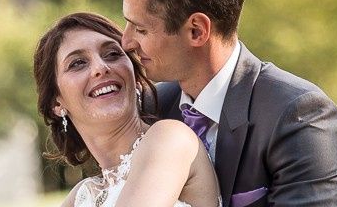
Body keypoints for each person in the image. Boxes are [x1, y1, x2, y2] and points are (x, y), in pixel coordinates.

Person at [121, 0, 337, 207]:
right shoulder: (154, 107)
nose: (126, 42)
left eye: (140, 29)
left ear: (197, 30)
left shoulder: (300, 116)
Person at [34, 12, 221, 207]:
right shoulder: (83, 196)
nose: (101, 67)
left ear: (137, 78)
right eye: (78, 63)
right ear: (56, 103)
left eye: (112, 54)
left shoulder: (169, 139)